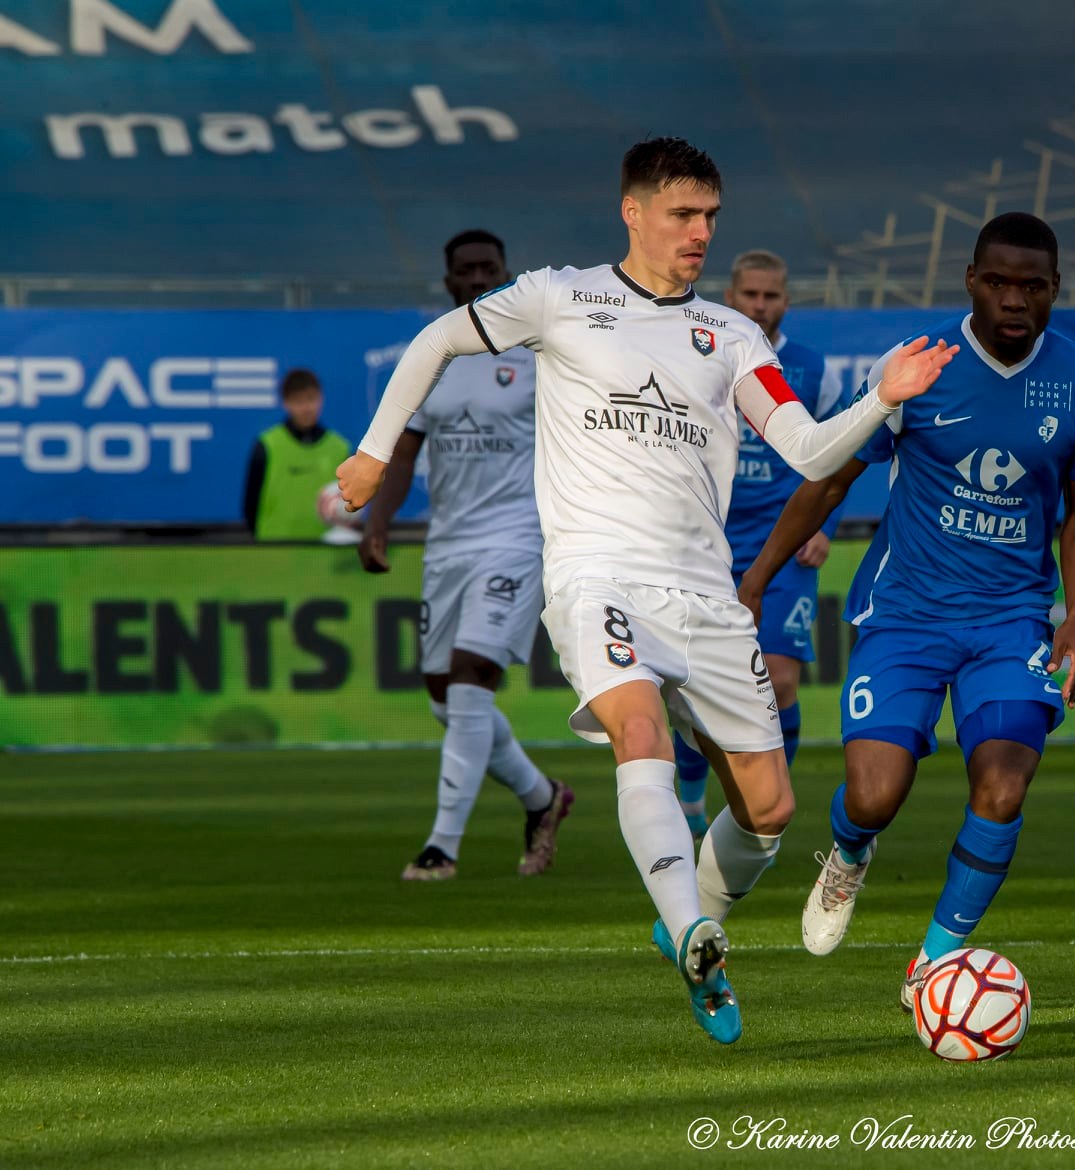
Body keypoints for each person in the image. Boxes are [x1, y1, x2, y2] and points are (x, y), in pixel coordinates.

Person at [334, 137, 956, 1044]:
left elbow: (808, 452)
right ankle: (688, 923)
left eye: (710, 217)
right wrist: (373, 450)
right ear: (634, 213)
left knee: (769, 812)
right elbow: (437, 338)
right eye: (682, 215)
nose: (700, 233)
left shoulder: (733, 336)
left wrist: (880, 397)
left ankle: (692, 929)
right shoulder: (559, 296)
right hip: (595, 573)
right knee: (639, 728)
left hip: (704, 595)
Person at [736, 212, 1075, 1009]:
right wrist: (760, 576)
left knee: (1004, 786)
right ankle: (846, 855)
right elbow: (831, 475)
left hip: (1012, 620)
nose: (1015, 300)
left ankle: (935, 962)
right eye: (999, 283)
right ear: (971, 281)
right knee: (873, 796)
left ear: (1054, 291)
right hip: (904, 612)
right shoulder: (916, 368)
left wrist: (1074, 615)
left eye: (1032, 287)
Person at [356, 229, 573, 883]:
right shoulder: (435, 354)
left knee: (471, 680)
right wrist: (378, 523)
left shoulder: (541, 354)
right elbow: (403, 449)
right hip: (447, 544)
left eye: (490, 268)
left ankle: (441, 847)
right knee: (444, 697)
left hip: (517, 537)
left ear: (507, 274)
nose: (479, 278)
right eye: (466, 271)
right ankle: (543, 798)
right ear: (449, 282)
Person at [671, 249, 848, 838]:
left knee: (779, 679)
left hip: (784, 542)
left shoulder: (815, 370)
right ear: (732, 296)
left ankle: (758, 811)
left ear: (786, 301)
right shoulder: (698, 352)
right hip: (704, 543)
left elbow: (836, 456)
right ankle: (692, 798)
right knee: (695, 683)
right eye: (750, 295)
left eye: (771, 296)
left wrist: (824, 525)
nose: (760, 306)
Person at [242, 369, 351, 541]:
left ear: (321, 398)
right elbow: (250, 505)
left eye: (311, 399)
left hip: (325, 549)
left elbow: (353, 502)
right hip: (275, 548)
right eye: (298, 401)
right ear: (286, 403)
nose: (306, 408)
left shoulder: (340, 447)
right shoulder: (267, 445)